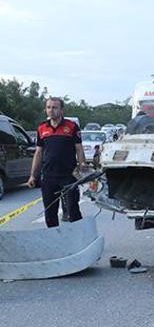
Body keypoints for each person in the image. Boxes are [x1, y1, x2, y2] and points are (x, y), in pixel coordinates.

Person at [27, 97, 87, 228]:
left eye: (54, 107)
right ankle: (55, 241)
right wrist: (33, 175)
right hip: (48, 177)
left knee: (73, 210)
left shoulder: (71, 127)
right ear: (45, 110)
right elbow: (38, 153)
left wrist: (83, 170)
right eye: (48, 107)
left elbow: (79, 150)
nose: (51, 110)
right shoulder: (42, 128)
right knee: (50, 213)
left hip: (69, 176)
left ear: (61, 110)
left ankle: (79, 237)